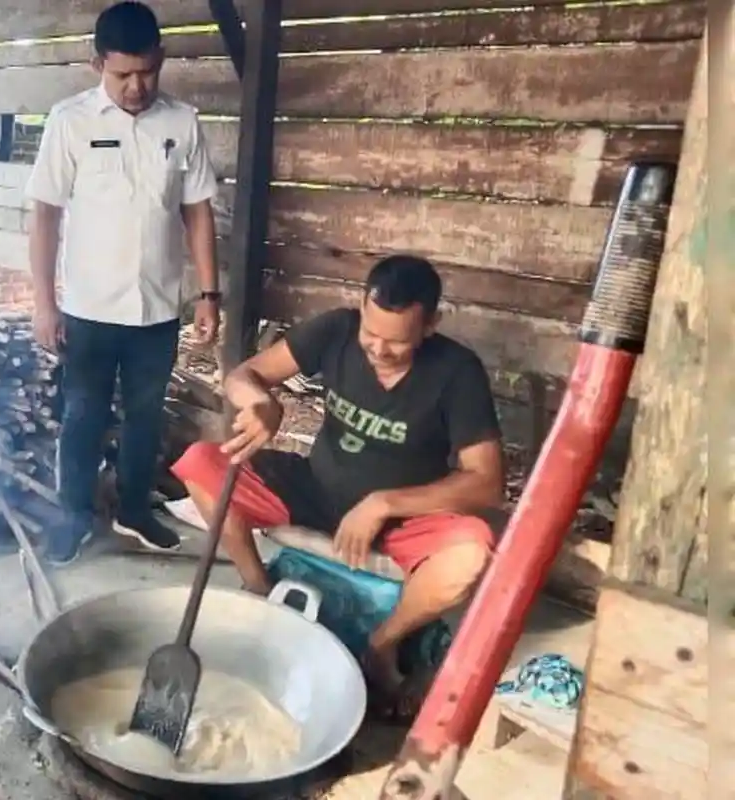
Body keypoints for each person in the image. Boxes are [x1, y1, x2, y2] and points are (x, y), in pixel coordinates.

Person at [170, 255, 506, 720]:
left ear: (431, 325)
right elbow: (244, 376)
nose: (378, 350)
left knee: (471, 553)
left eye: (397, 342)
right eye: (371, 334)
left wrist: (385, 503)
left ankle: (381, 645)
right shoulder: (336, 330)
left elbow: (486, 481)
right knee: (203, 464)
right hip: (314, 489)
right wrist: (261, 403)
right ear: (361, 309)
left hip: (400, 518)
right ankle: (260, 588)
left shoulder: (457, 371)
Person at [25, 1, 222, 566]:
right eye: (122, 75)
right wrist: (45, 302)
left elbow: (198, 211)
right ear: (97, 66)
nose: (137, 87)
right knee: (82, 417)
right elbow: (44, 214)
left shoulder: (182, 123)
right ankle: (73, 518)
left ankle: (135, 509)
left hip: (156, 311)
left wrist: (208, 294)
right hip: (88, 309)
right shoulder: (70, 121)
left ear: (160, 60)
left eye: (147, 72)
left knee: (145, 416)